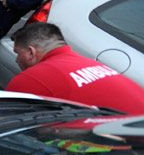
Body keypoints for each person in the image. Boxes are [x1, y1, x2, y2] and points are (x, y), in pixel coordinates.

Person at [7, 23, 144, 114]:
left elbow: (5, 123)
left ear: (31, 52)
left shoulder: (32, 79)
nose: (17, 59)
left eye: (17, 53)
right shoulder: (88, 63)